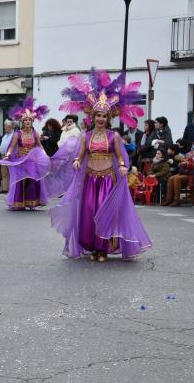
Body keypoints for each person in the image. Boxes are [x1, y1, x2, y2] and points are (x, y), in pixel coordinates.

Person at [52, 69, 151, 261]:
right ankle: (91, 247)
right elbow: (79, 156)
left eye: (104, 116)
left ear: (108, 118)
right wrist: (76, 161)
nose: (100, 119)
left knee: (104, 212)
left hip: (107, 179)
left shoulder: (113, 136)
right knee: (89, 211)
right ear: (92, 116)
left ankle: (103, 248)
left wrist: (122, 165)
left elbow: (120, 156)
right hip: (90, 178)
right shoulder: (85, 136)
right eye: (98, 115)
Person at [0, 98, 50, 210]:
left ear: (32, 122)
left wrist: (44, 154)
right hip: (20, 160)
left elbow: (39, 146)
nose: (27, 122)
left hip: (32, 161)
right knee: (20, 181)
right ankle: (19, 202)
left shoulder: (35, 133)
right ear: (22, 122)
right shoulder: (18, 133)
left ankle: (31, 202)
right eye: (25, 120)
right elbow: (12, 146)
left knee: (32, 180)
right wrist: (8, 154)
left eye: (29, 120)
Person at [0, 119, 15, 193]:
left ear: (10, 126)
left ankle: (12, 188)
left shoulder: (14, 135)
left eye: (6, 126)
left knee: (11, 173)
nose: (4, 127)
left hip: (10, 156)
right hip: (3, 156)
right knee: (4, 172)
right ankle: (5, 188)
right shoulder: (5, 135)